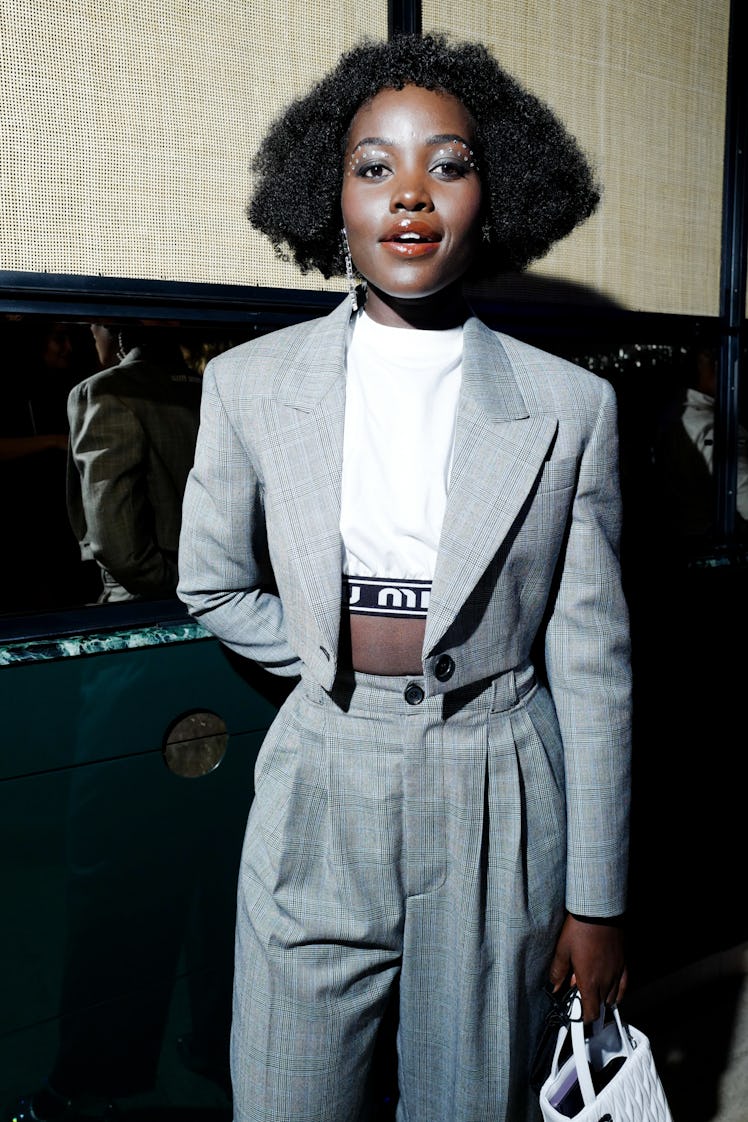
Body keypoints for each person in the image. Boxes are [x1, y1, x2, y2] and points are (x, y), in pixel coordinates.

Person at [177, 32, 632, 1122]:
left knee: (468, 1103)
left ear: (495, 195)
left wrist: (598, 900)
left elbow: (592, 664)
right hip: (319, 777)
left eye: (449, 164)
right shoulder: (248, 384)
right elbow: (211, 584)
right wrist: (329, 654)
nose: (411, 196)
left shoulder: (570, 407)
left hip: (499, 784)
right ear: (327, 197)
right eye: (373, 167)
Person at [67, 324, 202, 602]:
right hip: (219, 579)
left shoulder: (104, 391)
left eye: (94, 328)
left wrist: (170, 581)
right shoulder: (208, 386)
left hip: (145, 593)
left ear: (113, 332)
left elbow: (120, 546)